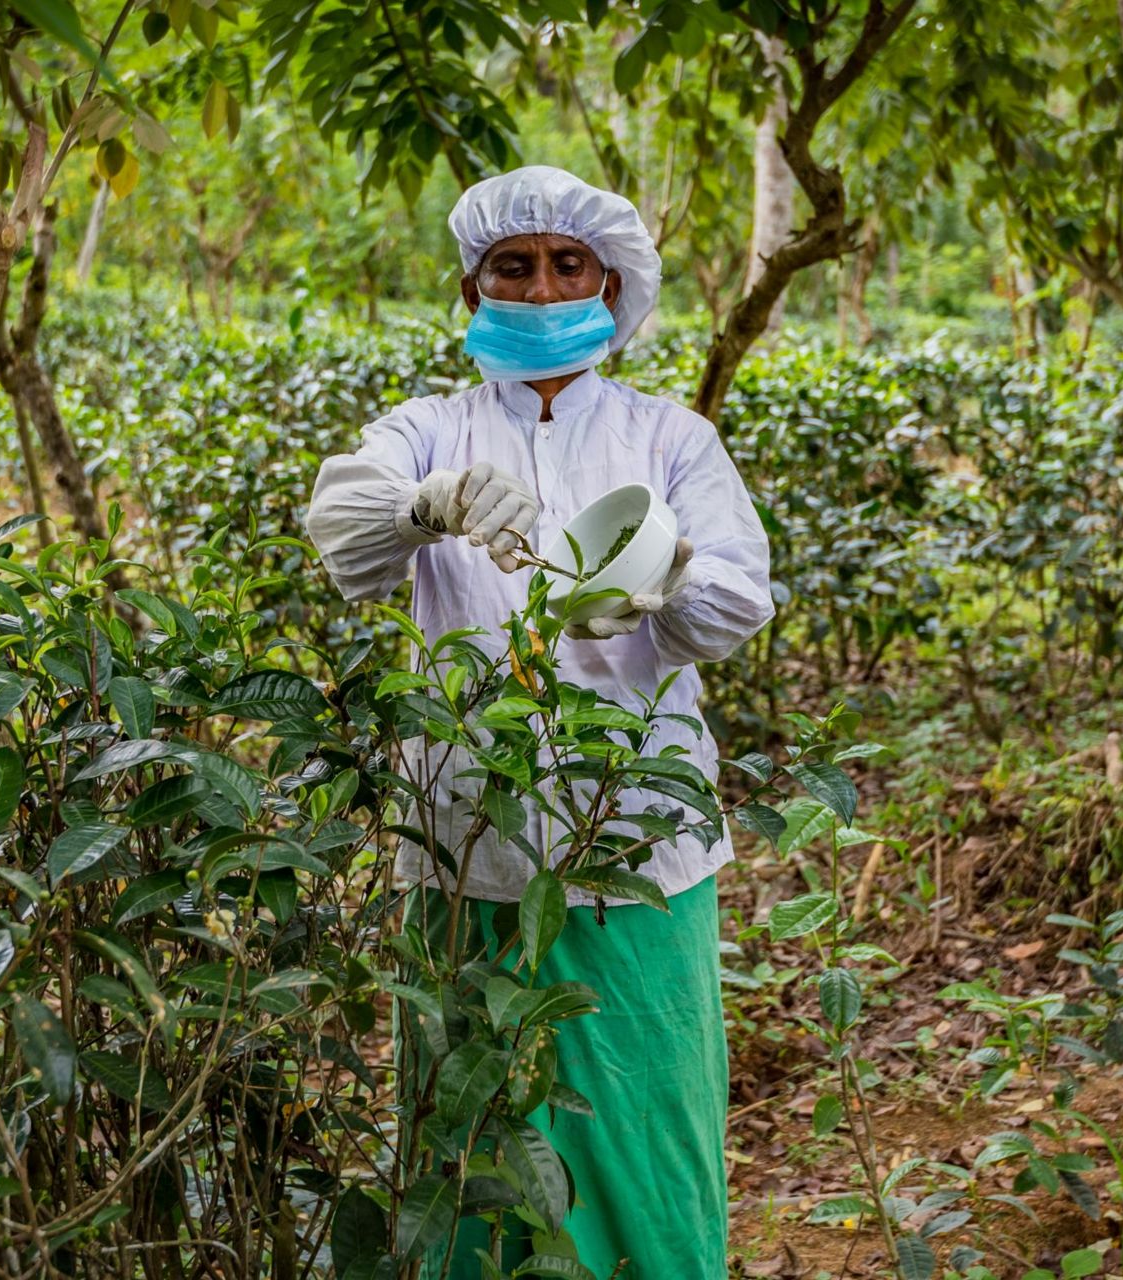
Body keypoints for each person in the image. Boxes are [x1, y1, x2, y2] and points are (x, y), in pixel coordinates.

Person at [305, 165, 774, 1279]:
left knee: (643, 1141)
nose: (543, 283)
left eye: (570, 264)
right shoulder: (426, 429)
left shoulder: (670, 440)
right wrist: (434, 503)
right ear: (474, 291)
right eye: (514, 266)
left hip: (639, 860)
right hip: (466, 850)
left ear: (610, 284)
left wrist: (658, 576)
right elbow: (342, 532)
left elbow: (737, 602)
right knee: (472, 1150)